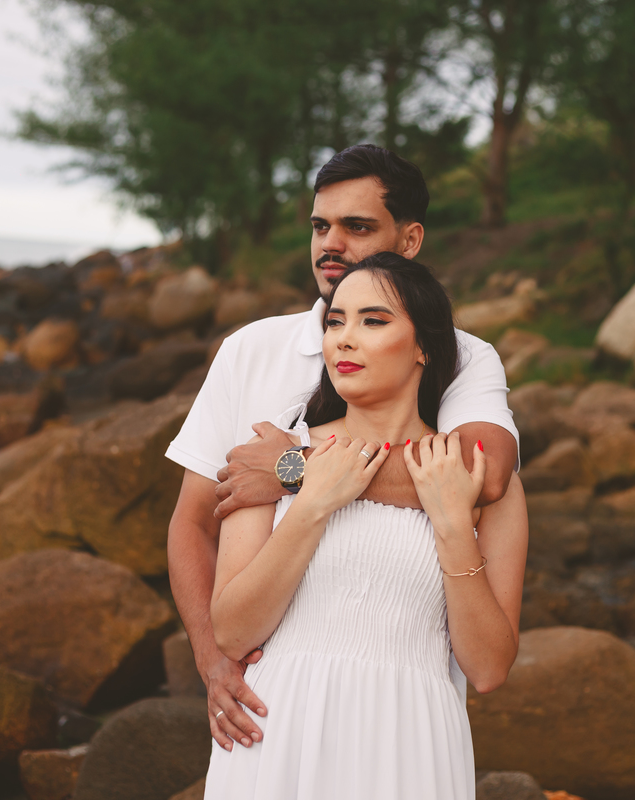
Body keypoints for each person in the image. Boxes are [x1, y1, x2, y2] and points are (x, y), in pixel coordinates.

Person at [164, 144, 521, 755]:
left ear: (409, 240)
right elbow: (194, 521)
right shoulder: (250, 350)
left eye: (357, 227)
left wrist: (294, 468)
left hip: (411, 722)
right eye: (320, 226)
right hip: (277, 708)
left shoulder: (463, 355)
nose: (330, 244)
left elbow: (480, 477)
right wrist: (213, 661)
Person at [203, 254, 527, 798]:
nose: (344, 339)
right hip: (279, 732)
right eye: (335, 322)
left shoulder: (477, 482)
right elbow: (232, 631)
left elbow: (489, 668)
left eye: (373, 321)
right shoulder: (275, 455)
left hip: (410, 744)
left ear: (424, 346)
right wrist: (313, 499)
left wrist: (452, 528)